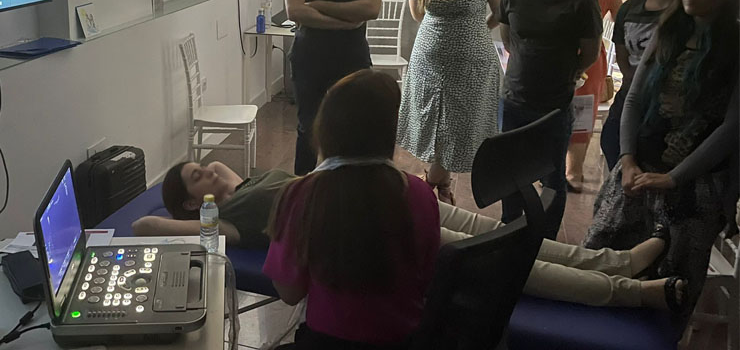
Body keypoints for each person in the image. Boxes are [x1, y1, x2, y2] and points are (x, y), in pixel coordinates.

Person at [140, 161, 685, 311]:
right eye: (197, 177)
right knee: (510, 262)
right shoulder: (230, 216)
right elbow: (151, 226)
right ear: (196, 202)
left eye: (203, 165)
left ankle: (617, 260)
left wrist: (218, 181)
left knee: (504, 231)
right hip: (378, 228)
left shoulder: (257, 177)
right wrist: (193, 210)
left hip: (392, 198)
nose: (208, 168)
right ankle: (633, 292)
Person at [584, 0, 740, 316]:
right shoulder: (669, 29)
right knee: (601, 262)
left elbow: (733, 127)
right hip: (638, 166)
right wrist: (627, 158)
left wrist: (673, 178)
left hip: (695, 181)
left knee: (671, 284)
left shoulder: (735, 43)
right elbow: (633, 100)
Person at [266, 70, 440, 348]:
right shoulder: (419, 194)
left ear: (326, 127)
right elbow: (428, 275)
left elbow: (289, 292)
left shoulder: (302, 195)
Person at [498, 0, 603, 239]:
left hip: (555, 104)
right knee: (511, 173)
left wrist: (565, 72)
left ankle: (546, 242)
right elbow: (508, 41)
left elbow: (589, 52)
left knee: (553, 177)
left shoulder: (582, 1)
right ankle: (509, 232)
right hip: (514, 99)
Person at [397, 0, 507, 204]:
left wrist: (475, 31)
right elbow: (418, 14)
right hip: (428, 64)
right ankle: (442, 187)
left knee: (458, 126)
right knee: (434, 125)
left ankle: (428, 184)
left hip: (472, 65)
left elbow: (500, 12)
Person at [283, 0, 383, 176]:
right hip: (309, 56)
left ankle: (350, 190)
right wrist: (347, 21)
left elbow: (372, 8)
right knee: (308, 129)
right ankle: (302, 193)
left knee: (356, 127)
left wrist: (318, 5)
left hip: (352, 56)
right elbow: (294, 11)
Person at [600, 0, 700, 170]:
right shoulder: (630, 8)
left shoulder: (697, 14)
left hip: (673, 128)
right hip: (628, 113)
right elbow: (626, 62)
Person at [564, 0, 622, 192]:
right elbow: (619, 20)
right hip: (595, 58)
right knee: (583, 114)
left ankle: (554, 170)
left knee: (559, 112)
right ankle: (574, 174)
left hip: (567, 55)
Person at [131, 161, 295, 249]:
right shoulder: (222, 223)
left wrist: (222, 191)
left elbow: (216, 165)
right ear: (191, 203)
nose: (210, 172)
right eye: (198, 177)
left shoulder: (239, 189)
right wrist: (181, 218)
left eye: (203, 168)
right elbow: (142, 225)